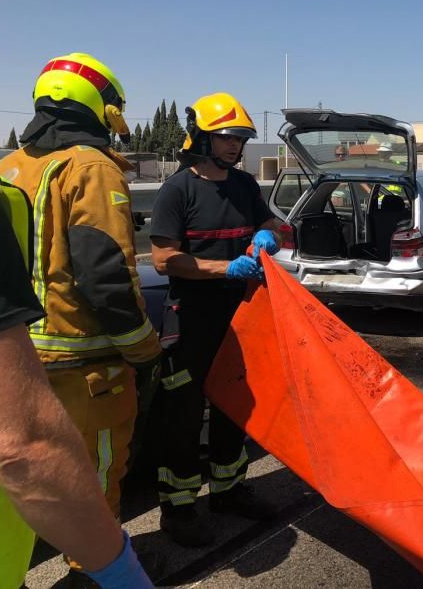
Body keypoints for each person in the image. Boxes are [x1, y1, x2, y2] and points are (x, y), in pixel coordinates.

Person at [0, 53, 161, 583]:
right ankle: (92, 574)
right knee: (96, 479)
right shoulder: (91, 167)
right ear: (104, 107)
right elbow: (106, 273)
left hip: (15, 363)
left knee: (24, 497)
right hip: (85, 371)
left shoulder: (9, 166)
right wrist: (145, 350)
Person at [150, 92, 283, 547]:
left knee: (235, 405)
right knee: (184, 415)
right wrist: (223, 269)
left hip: (241, 319)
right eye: (227, 137)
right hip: (192, 319)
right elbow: (164, 259)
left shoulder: (245, 185)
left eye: (241, 138)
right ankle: (179, 508)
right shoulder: (177, 190)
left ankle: (228, 490)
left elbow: (279, 226)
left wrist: (271, 234)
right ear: (202, 138)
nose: (235, 145)